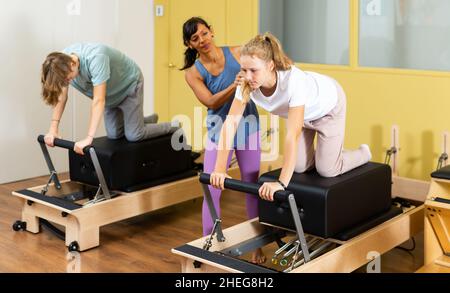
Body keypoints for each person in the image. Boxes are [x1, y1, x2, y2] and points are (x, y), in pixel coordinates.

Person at [210, 32, 372, 202]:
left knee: (327, 170)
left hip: (328, 108)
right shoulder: (245, 83)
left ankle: (362, 153)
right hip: (302, 116)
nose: (248, 76)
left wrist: (281, 183)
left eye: (254, 70)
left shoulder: (293, 81)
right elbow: (230, 124)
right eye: (244, 69)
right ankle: (327, 153)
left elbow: (292, 134)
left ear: (270, 66)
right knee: (300, 167)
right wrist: (219, 168)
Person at [181, 17, 265, 263]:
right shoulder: (193, 73)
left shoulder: (239, 52)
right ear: (190, 44)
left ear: (212, 32)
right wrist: (235, 85)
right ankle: (208, 245)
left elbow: (258, 81)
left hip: (248, 126)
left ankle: (258, 246)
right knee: (211, 189)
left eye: (204, 33)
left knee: (251, 186)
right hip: (219, 131)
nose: (202, 40)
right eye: (195, 38)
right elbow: (210, 101)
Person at [41, 43, 177, 155]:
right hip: (110, 95)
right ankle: (141, 121)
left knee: (135, 135)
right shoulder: (60, 65)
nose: (67, 81)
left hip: (129, 85)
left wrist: (89, 139)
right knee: (114, 134)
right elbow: (61, 97)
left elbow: (99, 101)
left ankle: (173, 126)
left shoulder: (95, 58)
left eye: (68, 78)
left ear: (72, 64)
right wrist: (53, 129)